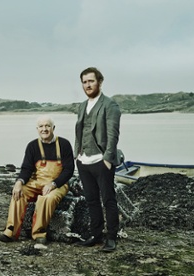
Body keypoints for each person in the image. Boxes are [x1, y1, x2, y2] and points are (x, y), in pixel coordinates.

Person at [0, 115, 74, 245]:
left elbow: (69, 170)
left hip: (58, 184)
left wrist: (54, 184)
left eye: (47, 126)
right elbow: (26, 168)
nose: (44, 129)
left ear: (53, 128)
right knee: (18, 193)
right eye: (41, 126)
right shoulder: (32, 146)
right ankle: (11, 231)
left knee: (47, 198)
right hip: (37, 181)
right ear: (37, 129)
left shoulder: (64, 144)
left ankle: (39, 233)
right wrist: (19, 182)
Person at [74, 67, 121, 252]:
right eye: (84, 82)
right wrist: (77, 153)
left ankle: (111, 238)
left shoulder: (110, 105)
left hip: (102, 161)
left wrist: (108, 159)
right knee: (91, 200)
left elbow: (113, 135)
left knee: (108, 199)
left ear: (99, 82)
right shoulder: (82, 106)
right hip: (84, 161)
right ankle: (96, 235)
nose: (87, 85)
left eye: (91, 81)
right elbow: (80, 131)